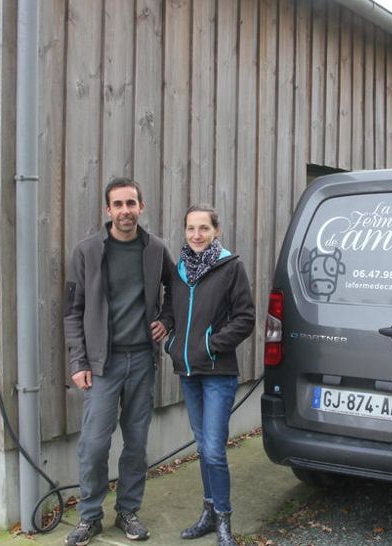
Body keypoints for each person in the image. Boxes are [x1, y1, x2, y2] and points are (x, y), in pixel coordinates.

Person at [63, 178, 173, 546]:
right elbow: (72, 311)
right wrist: (79, 361)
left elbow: (176, 290)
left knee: (136, 443)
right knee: (94, 444)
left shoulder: (155, 248)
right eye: (118, 204)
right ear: (108, 210)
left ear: (142, 207)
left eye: (131, 203)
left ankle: (128, 510)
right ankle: (90, 517)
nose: (125, 211)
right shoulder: (87, 251)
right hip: (101, 365)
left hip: (142, 360)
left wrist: (168, 320)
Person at [164, 204, 255, 546]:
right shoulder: (180, 269)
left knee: (214, 449)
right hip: (188, 373)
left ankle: (223, 521)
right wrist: (172, 339)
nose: (197, 235)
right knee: (203, 447)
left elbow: (245, 317)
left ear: (216, 230)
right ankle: (207, 512)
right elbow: (169, 308)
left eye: (204, 228)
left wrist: (211, 345)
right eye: (191, 228)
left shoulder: (230, 268)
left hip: (218, 372)